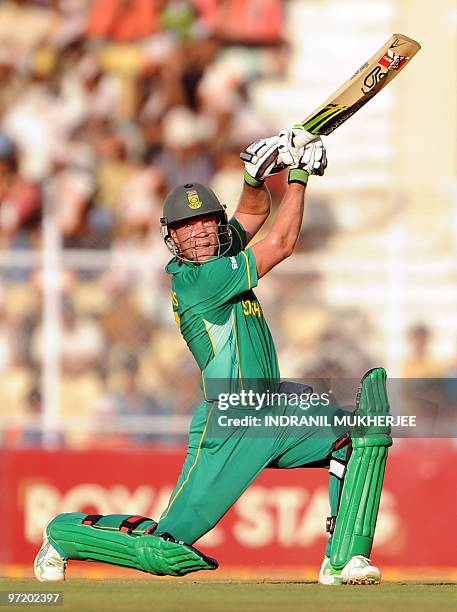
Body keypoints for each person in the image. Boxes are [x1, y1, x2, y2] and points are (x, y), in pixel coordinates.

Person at [34, 126, 392, 585]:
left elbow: (250, 212)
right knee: (165, 547)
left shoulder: (222, 252)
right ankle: (64, 535)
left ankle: (344, 559)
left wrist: (254, 177)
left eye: (206, 224)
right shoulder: (199, 279)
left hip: (275, 407)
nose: (200, 234)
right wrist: (299, 174)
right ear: (173, 240)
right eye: (187, 229)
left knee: (359, 435)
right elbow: (281, 243)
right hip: (233, 421)